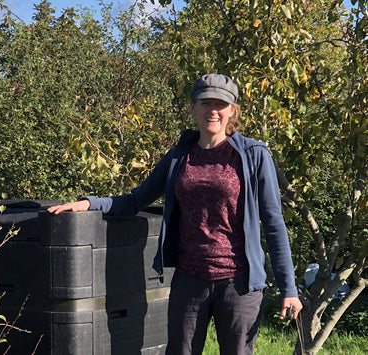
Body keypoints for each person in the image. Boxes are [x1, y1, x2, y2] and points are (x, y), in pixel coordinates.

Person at [48, 74, 302, 355]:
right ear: (193, 106)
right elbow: (135, 200)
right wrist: (89, 203)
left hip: (239, 285)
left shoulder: (253, 155)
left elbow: (274, 224)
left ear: (232, 109)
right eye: (206, 102)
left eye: (221, 103)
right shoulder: (180, 156)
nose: (213, 110)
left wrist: (288, 288)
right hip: (189, 281)